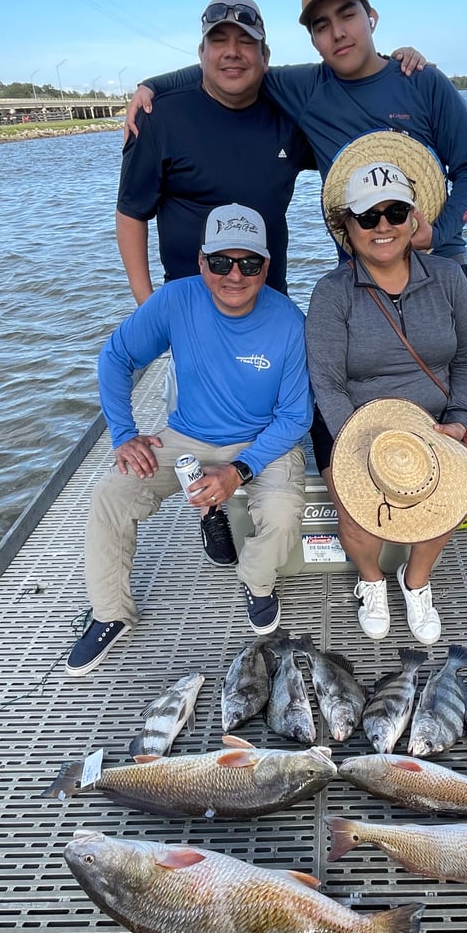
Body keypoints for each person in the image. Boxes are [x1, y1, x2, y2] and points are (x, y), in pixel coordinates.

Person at [65, 204, 312, 677]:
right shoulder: (176, 301)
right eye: (221, 262)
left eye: (249, 263)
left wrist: (239, 470)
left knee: (281, 515)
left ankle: (256, 582)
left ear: (267, 266)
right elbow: (115, 357)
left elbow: (294, 415)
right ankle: (110, 612)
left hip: (264, 439)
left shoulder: (289, 322)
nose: (234, 275)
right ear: (201, 262)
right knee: (110, 495)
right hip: (186, 435)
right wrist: (124, 434)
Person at [129, 0, 467, 280]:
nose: (338, 33)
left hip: (438, 260)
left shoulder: (423, 81)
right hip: (362, 269)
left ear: (372, 18)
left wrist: (438, 233)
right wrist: (154, 86)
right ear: (314, 40)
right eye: (322, 26)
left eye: (348, 16)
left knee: (454, 359)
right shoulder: (305, 88)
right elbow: (230, 66)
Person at [305, 153, 467, 646]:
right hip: (351, 419)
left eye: (395, 212)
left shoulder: (449, 279)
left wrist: (457, 420)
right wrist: (361, 442)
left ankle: (417, 581)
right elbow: (326, 381)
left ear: (413, 219)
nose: (382, 226)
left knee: (450, 489)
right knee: (358, 510)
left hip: (432, 419)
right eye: (367, 216)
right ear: (347, 227)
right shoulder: (331, 292)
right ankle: (370, 580)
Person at [116, 0, 315, 303]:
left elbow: (346, 159)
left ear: (266, 57)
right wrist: (148, 304)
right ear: (201, 53)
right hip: (188, 314)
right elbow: (131, 212)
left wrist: (397, 70)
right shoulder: (159, 116)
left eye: (246, 42)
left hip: (270, 312)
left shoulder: (290, 116)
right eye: (219, 40)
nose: (232, 52)